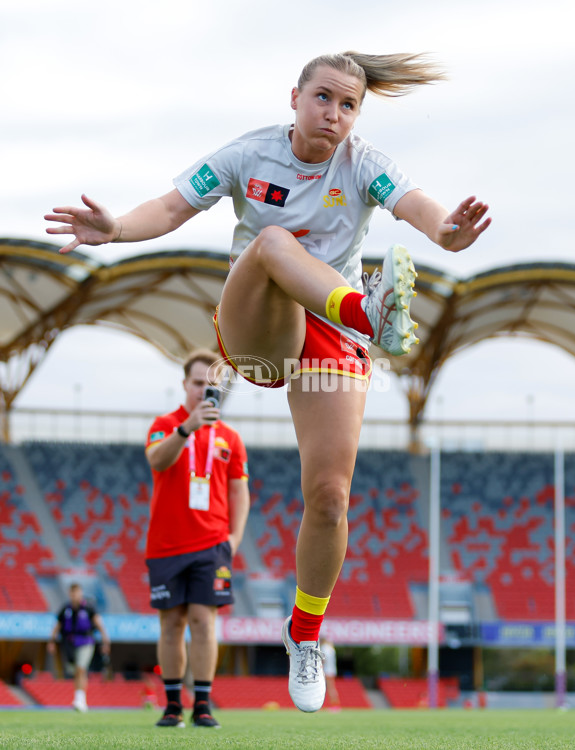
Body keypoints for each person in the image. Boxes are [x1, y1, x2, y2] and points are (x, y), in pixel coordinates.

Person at [45, 50, 491, 713]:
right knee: (277, 242)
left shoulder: (363, 163)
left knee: (331, 497)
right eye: (323, 98)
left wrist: (447, 231)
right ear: (294, 97)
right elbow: (170, 208)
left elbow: (415, 205)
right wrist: (114, 229)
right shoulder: (248, 155)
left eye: (348, 106)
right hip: (259, 327)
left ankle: (306, 636)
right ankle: (368, 310)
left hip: (329, 337)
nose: (334, 114)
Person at [143, 348, 250, 729]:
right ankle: (172, 704)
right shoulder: (164, 424)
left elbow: (240, 493)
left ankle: (202, 703)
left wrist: (234, 539)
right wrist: (187, 427)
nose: (204, 390)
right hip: (166, 544)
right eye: (198, 383)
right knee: (171, 623)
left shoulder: (231, 439)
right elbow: (157, 461)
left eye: (211, 384)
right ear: (185, 384)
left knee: (204, 621)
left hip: (212, 544)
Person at [47, 582, 110, 712]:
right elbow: (57, 626)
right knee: (75, 671)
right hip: (70, 644)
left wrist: (105, 641)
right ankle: (78, 696)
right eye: (72, 593)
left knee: (81, 669)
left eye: (76, 592)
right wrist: (51, 641)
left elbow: (99, 625)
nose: (74, 595)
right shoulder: (65, 609)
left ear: (80, 593)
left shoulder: (89, 608)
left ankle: (80, 699)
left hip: (86, 642)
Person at [320, 636, 341, 711]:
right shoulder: (331, 648)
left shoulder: (324, 648)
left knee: (329, 688)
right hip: (331, 670)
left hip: (326, 670)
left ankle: (335, 706)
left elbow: (323, 660)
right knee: (331, 688)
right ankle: (335, 705)